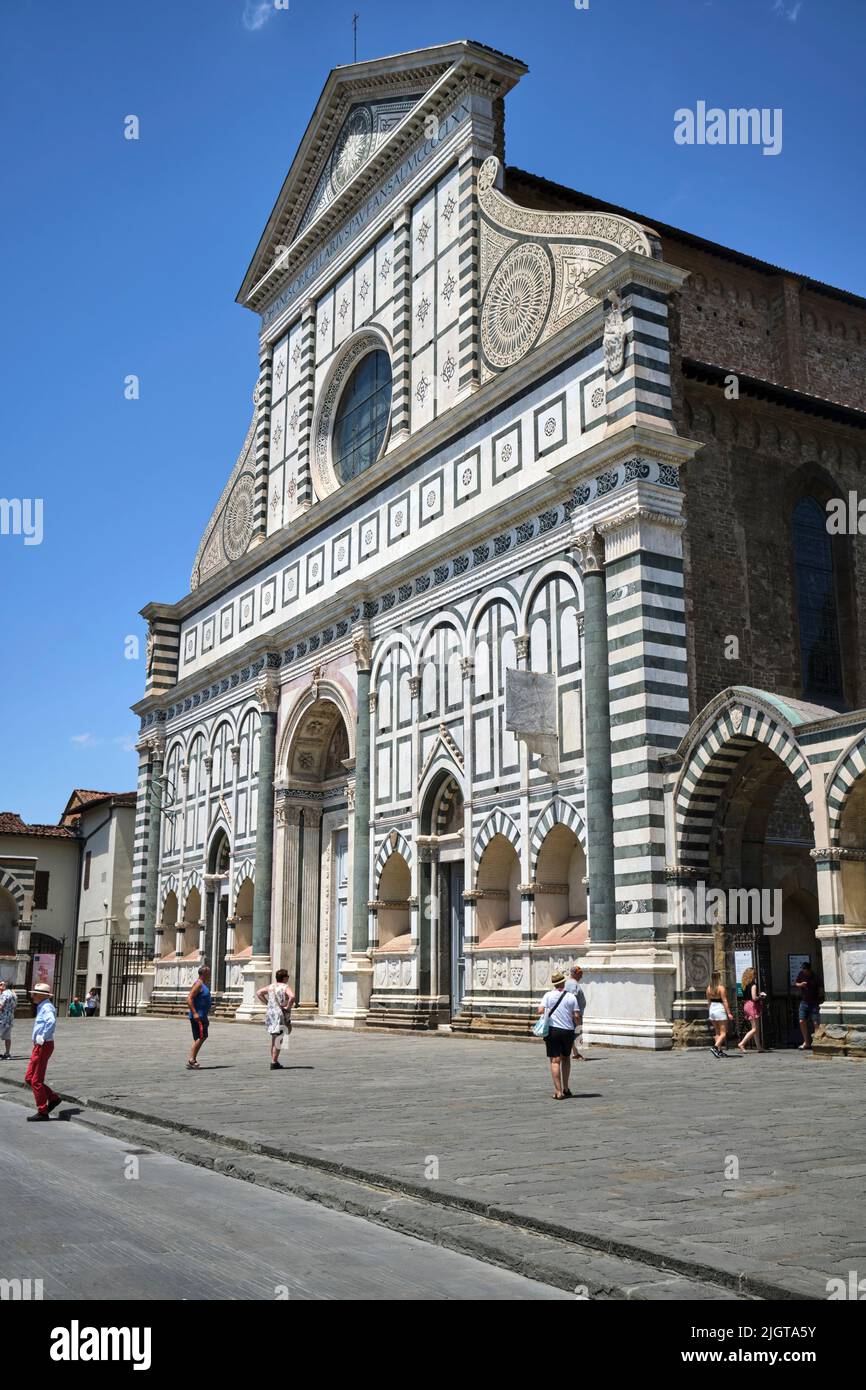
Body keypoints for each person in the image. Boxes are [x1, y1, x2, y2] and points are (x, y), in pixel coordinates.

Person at [536, 970, 582, 1099]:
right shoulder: (571, 996)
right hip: (568, 1031)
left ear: (554, 984)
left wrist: (545, 1010)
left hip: (553, 1031)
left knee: (555, 1061)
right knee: (566, 1059)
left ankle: (558, 1091)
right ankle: (566, 1088)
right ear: (563, 982)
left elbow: (540, 1010)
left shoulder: (548, 996)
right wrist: (577, 1027)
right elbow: (577, 1016)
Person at [24, 982, 61, 1121]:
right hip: (40, 1045)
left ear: (41, 995)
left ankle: (43, 1111)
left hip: (43, 1044)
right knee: (29, 1078)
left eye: (34, 993)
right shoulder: (43, 1006)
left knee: (36, 1080)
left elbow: (51, 1022)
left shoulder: (47, 1007)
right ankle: (53, 1098)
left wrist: (43, 1037)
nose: (32, 996)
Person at [256, 969, 296, 1070]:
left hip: (271, 1014)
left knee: (275, 1038)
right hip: (281, 1014)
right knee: (279, 1038)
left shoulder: (271, 986)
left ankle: (274, 1060)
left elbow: (259, 993)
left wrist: (267, 1003)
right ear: (285, 978)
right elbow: (292, 996)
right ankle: (274, 1061)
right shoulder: (285, 987)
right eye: (287, 976)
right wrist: (288, 1007)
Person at [186, 965, 212, 1069]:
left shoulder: (202, 984)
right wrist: (195, 1013)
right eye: (208, 973)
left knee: (199, 1037)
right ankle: (191, 1060)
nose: (210, 975)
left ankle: (193, 1059)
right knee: (202, 1037)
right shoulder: (198, 984)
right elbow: (189, 998)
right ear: (203, 973)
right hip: (198, 1016)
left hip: (202, 1015)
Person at [737, 967, 766, 1053]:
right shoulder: (753, 985)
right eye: (755, 974)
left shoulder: (744, 984)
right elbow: (754, 998)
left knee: (755, 1029)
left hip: (746, 1005)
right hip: (752, 1006)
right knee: (754, 1029)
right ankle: (742, 1043)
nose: (756, 976)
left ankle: (759, 1047)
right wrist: (761, 996)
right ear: (752, 975)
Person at [793, 960, 821, 1050]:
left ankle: (817, 1042)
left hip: (813, 1002)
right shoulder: (801, 974)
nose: (803, 971)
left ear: (808, 970)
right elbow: (796, 983)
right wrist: (801, 984)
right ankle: (806, 1042)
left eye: (804, 970)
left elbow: (819, 988)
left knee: (815, 1022)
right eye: (802, 969)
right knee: (801, 1021)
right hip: (804, 1001)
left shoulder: (814, 976)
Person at [706, 971, 733, 1057]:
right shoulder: (721, 988)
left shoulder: (708, 988)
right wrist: (729, 1013)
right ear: (719, 977)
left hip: (712, 1009)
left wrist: (709, 1013)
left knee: (717, 1033)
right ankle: (715, 1047)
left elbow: (709, 1002)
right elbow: (724, 1001)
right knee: (724, 1033)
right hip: (719, 1009)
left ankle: (719, 1051)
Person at [564, 965, 587, 1060]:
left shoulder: (568, 983)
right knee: (576, 1032)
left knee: (574, 1033)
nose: (581, 976)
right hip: (575, 1014)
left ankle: (575, 1053)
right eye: (580, 974)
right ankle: (574, 1053)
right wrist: (575, 1013)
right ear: (576, 974)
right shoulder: (573, 984)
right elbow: (573, 997)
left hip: (572, 1013)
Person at [0, 979, 17, 1059]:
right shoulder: (14, 994)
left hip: (2, 1018)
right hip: (10, 1019)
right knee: (7, 1037)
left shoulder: (4, 994)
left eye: (1, 984)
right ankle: (7, 1053)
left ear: (5, 986)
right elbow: (15, 1007)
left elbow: (1, 1006)